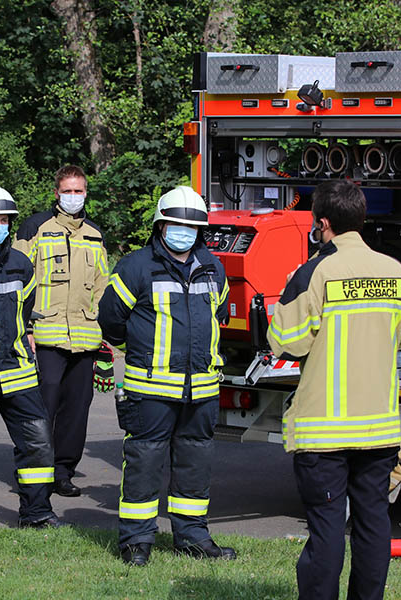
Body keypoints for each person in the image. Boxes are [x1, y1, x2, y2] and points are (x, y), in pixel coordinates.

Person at [267, 180, 401, 600]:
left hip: (325, 433)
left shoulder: (314, 271)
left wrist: (280, 305)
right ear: (362, 219)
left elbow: (287, 340)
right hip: (379, 431)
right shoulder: (394, 270)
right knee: (373, 526)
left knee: (327, 530)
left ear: (323, 224)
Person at [97, 186, 235, 566]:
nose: (183, 231)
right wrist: (139, 348)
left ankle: (192, 537)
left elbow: (218, 316)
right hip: (150, 390)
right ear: (160, 226)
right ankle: (136, 542)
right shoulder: (136, 266)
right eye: (175, 224)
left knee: (195, 465)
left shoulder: (213, 267)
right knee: (143, 462)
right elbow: (110, 319)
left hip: (202, 391)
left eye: (191, 225)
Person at [0, 184, 67, 530]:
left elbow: (26, 313)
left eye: (4, 219)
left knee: (38, 443)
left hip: (18, 370)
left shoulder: (21, 264)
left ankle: (37, 513)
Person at [13, 165, 110, 497]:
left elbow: (102, 286)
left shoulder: (95, 234)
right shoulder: (35, 227)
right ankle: (34, 466)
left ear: (86, 193)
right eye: (67, 191)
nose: (73, 197)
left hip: (85, 336)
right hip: (45, 333)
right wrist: (24, 328)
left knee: (76, 407)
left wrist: (104, 330)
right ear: (56, 193)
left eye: (78, 191)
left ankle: (62, 470)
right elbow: (17, 280)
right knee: (43, 403)